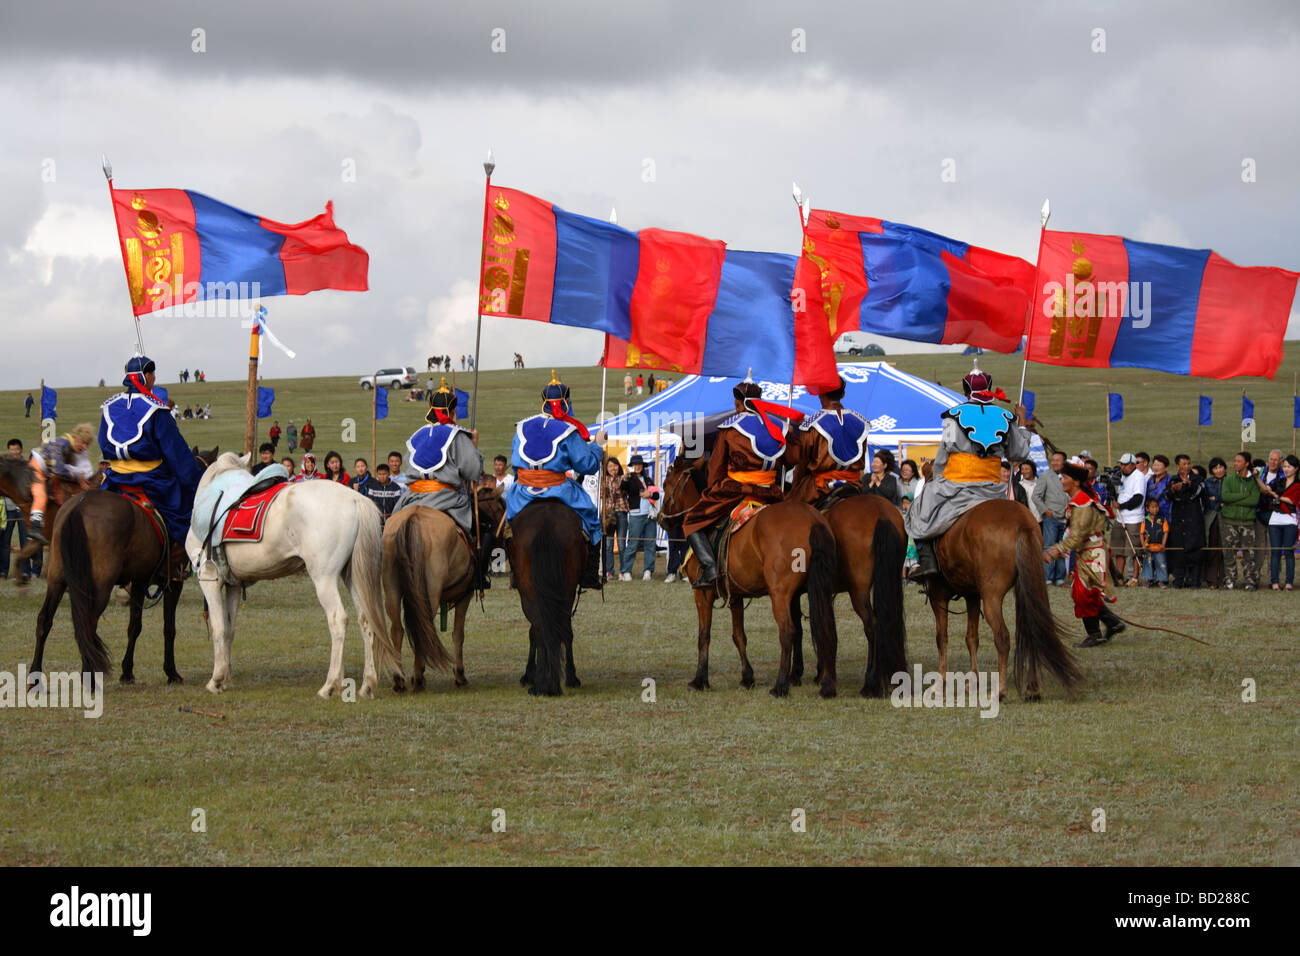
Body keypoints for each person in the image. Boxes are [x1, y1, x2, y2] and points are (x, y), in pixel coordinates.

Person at [908, 362, 1032, 586]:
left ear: (966, 393)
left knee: (920, 508)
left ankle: (926, 561)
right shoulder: (1006, 417)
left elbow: (944, 454)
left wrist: (936, 478)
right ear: (990, 389)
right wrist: (1021, 422)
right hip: (993, 488)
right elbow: (1019, 452)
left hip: (957, 486)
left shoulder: (953, 416)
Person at [681, 378, 802, 589]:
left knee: (691, 520)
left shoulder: (730, 428)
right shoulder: (778, 427)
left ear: (738, 403)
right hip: (771, 492)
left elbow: (715, 468)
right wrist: (790, 437)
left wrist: (713, 489)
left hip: (737, 490)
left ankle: (710, 568)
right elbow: (792, 459)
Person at [96, 355, 204, 576]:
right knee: (185, 516)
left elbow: (103, 442)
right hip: (151, 481)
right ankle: (172, 568)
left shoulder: (109, 407)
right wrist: (196, 481)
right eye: (152, 373)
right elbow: (177, 454)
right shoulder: (156, 410)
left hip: (115, 478)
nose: (154, 377)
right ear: (144, 377)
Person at [505, 371, 606, 589]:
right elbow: (586, 464)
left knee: (507, 526)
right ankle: (590, 575)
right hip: (559, 489)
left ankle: (515, 572)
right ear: (566, 403)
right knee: (593, 520)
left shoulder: (522, 427)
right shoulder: (568, 430)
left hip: (523, 490)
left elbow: (515, 463)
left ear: (544, 402)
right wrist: (597, 446)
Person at [396, 379, 488, 587]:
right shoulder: (458, 436)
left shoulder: (417, 436)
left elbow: (407, 465)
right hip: (447, 499)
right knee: (485, 525)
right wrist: (474, 447)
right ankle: (478, 577)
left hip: (412, 498)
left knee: (389, 528)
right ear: (453, 410)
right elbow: (473, 471)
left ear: (431, 409)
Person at [1044, 459, 1124, 647]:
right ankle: (1111, 624)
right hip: (1088, 553)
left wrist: (1054, 551)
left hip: (1093, 554)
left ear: (1076, 482)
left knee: (1083, 594)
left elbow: (1076, 538)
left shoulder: (1083, 504)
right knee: (1084, 593)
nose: (1061, 480)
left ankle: (1097, 633)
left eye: (1064, 477)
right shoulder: (1079, 501)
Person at [786, 375, 869, 506]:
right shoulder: (862, 422)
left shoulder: (812, 424)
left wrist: (795, 489)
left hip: (822, 487)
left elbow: (802, 463)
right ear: (843, 394)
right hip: (854, 484)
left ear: (820, 394)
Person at [1220, 451, 1261, 591]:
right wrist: (1244, 495)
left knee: (1249, 554)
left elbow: (1254, 500)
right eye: (1235, 461)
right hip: (1230, 521)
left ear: (1246, 463)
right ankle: (1230, 579)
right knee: (1229, 552)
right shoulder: (1229, 480)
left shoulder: (1253, 481)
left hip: (1248, 522)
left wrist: (1235, 501)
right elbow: (1225, 497)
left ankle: (1249, 580)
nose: (1235, 463)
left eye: (1238, 461)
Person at [1165, 454, 1205, 589]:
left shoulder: (1197, 479)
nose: (1187, 467)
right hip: (1179, 521)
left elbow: (1199, 493)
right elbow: (1167, 497)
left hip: (1193, 521)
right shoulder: (1173, 479)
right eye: (1184, 464)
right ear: (1178, 466)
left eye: (1188, 463)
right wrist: (1172, 490)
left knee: (1195, 551)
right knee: (1178, 553)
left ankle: (1194, 581)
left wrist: (1190, 485)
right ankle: (1178, 581)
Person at [1261, 454, 1300, 590]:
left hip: (1290, 519)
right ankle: (1275, 582)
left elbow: (1292, 500)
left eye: (1289, 467)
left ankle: (1289, 582)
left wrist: (1277, 497)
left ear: (1296, 469)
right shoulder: (1278, 482)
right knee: (1275, 551)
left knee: (1289, 551)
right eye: (1284, 466)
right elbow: (1267, 488)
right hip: (1275, 519)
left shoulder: (1298, 484)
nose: (1286, 469)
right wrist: (1256, 477)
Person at [1032, 451, 1070, 586]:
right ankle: (1048, 577)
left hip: (1066, 518)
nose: (1054, 463)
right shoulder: (1045, 477)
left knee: (1062, 548)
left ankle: (1060, 577)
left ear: (1064, 462)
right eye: (1053, 460)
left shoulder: (1069, 477)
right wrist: (1045, 510)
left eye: (1058, 460)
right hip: (1051, 518)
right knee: (1049, 546)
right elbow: (1036, 496)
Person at [620, 454, 657, 581]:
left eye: (639, 464)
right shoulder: (629, 478)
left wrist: (650, 493)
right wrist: (624, 478)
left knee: (650, 544)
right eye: (635, 464)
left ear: (642, 466)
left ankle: (648, 570)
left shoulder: (648, 480)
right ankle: (626, 571)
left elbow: (656, 495)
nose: (637, 466)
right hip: (636, 515)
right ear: (632, 466)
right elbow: (623, 488)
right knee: (633, 544)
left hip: (650, 515)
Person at [1111, 453, 1146, 586]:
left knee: (1134, 550)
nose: (1122, 467)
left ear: (1132, 465)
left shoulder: (1139, 476)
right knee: (1119, 549)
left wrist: (1122, 506)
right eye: (1121, 464)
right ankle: (1119, 576)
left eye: (1125, 464)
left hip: (1134, 518)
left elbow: (1138, 499)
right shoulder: (1122, 476)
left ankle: (1135, 578)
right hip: (1121, 518)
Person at [2, 439, 32, 579]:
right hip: (8, 508)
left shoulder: (26, 466)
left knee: (25, 540)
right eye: (11, 449)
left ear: (21, 450)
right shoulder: (5, 468)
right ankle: (3, 571)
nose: (14, 452)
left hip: (23, 509)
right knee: (5, 541)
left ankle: (25, 570)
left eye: (16, 449)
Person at [600, 457, 630, 582]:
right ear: (606, 469)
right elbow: (601, 495)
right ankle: (609, 571)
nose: (613, 468)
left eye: (615, 465)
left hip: (621, 512)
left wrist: (627, 477)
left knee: (622, 544)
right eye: (610, 466)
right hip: (608, 514)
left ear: (619, 466)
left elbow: (626, 487)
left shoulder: (623, 478)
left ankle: (623, 571)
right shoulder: (603, 480)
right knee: (608, 545)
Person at [1202, 457, 1227, 589]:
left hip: (1225, 518)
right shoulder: (1207, 482)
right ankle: (1211, 579)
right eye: (1215, 468)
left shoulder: (1229, 481)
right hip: (1211, 518)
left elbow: (1227, 499)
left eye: (1221, 467)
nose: (1219, 470)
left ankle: (1223, 578)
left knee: (1224, 549)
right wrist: (1219, 501)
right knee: (1212, 548)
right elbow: (1208, 501)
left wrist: (1216, 499)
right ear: (1212, 470)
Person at [1140, 497, 1169, 588]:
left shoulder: (1162, 519)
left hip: (1159, 547)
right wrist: (1143, 545)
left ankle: (1161, 580)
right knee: (1147, 563)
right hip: (1148, 548)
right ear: (1147, 509)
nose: (1155, 509)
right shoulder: (1145, 520)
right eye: (1152, 507)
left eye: (1156, 507)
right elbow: (1141, 534)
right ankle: (1148, 580)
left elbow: (1166, 532)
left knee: (1161, 563)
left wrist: (1163, 545)